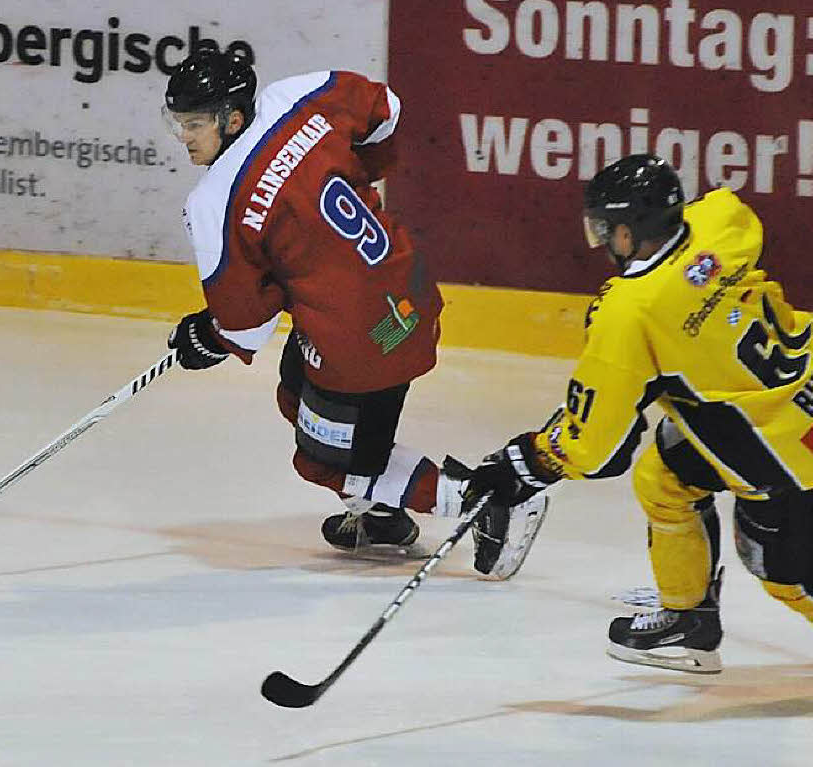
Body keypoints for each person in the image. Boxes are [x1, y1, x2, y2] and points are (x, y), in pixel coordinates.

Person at [447, 154, 813, 673]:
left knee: (786, 575)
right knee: (664, 475)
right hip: (799, 386)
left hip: (787, 455)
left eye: (606, 229)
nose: (602, 242)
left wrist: (524, 464)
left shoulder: (628, 312)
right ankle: (688, 618)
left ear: (627, 231)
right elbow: (732, 212)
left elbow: (597, 448)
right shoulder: (715, 224)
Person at [162, 49, 478, 552]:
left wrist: (204, 337)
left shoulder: (213, 202)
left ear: (233, 118)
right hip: (409, 295)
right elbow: (385, 109)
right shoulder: (300, 95)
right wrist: (357, 172)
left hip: (361, 345)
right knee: (296, 391)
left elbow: (243, 325)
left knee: (326, 460)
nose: (183, 137)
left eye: (194, 124)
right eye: (177, 122)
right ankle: (380, 516)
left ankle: (477, 501)